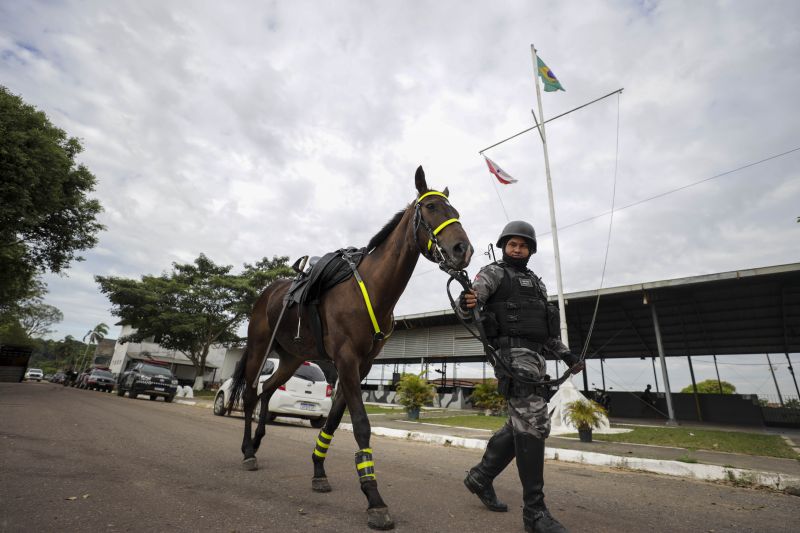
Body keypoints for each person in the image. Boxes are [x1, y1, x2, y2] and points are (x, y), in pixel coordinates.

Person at [457, 220, 584, 533]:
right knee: (533, 423)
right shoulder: (493, 273)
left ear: (530, 250)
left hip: (537, 358)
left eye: (523, 245)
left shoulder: (538, 285)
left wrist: (567, 355)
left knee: (522, 423)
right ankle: (535, 513)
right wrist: (466, 303)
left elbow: (545, 332)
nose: (517, 249)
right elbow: (471, 305)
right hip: (510, 356)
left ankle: (481, 477)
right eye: (512, 244)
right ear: (504, 247)